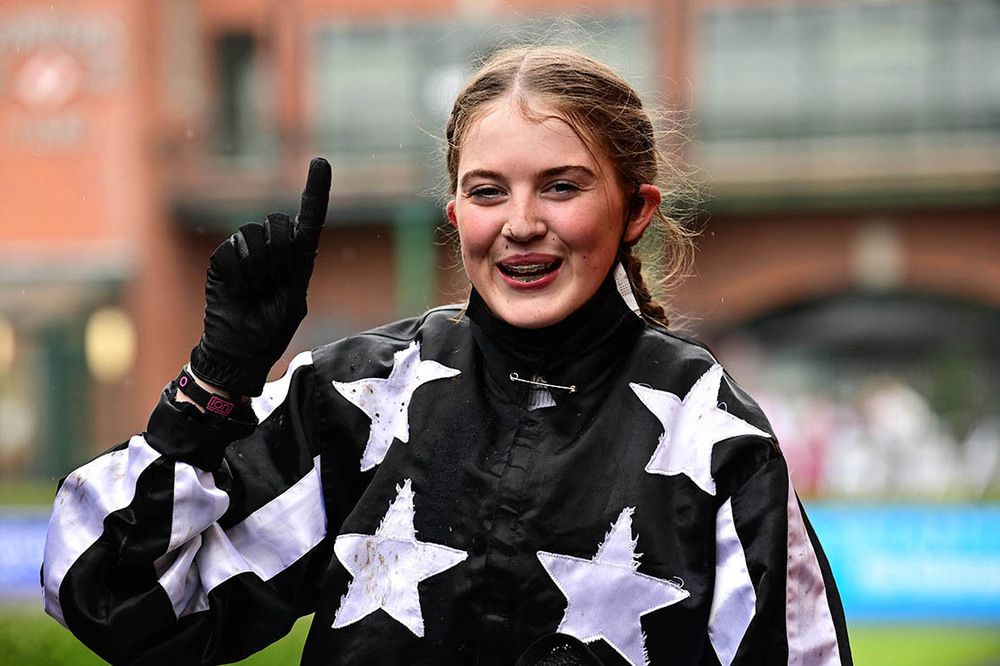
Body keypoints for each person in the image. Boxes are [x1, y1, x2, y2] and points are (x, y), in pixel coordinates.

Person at [41, 46, 852, 665]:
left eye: (563, 187)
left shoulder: (711, 429)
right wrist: (215, 382)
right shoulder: (358, 395)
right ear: (456, 208)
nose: (521, 223)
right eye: (490, 190)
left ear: (635, 209)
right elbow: (116, 599)